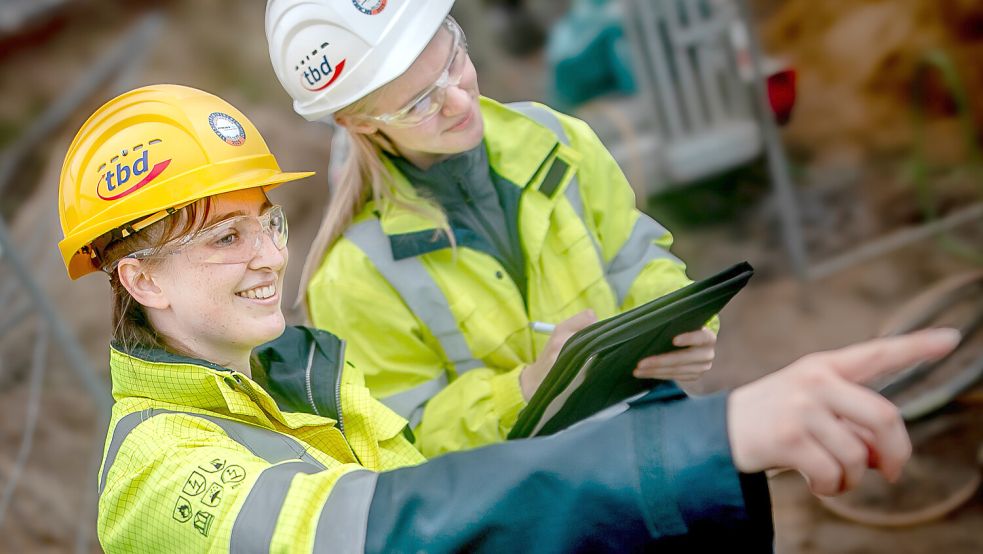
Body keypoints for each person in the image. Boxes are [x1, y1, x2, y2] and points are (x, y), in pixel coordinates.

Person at [61, 84, 959, 553]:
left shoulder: (301, 374)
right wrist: (709, 441)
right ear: (142, 279)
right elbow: (394, 527)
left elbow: (464, 507)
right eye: (224, 238)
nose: (268, 256)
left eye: (267, 222)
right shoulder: (155, 475)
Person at [266, 0, 721, 457]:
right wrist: (527, 386)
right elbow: (407, 440)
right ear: (357, 122)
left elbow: (633, 253)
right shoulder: (354, 278)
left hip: (649, 434)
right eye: (420, 102)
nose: (461, 101)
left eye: (454, 61)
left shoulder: (555, 138)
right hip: (538, 504)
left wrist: (679, 320)